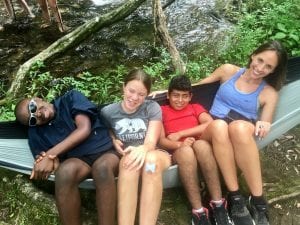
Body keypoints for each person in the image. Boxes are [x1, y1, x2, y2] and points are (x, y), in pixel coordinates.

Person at [196, 40, 288, 225]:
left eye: (268, 66)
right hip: (212, 129)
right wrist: (163, 94)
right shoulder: (228, 71)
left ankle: (255, 201)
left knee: (237, 127)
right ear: (253, 55)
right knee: (221, 126)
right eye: (260, 60)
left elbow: (265, 122)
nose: (260, 68)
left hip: (239, 134)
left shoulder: (269, 93)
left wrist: (264, 124)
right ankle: (236, 196)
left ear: (273, 71)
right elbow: (195, 88)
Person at [14, 89, 120, 225]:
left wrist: (51, 154)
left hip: (106, 150)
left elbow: (84, 129)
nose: (38, 114)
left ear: (37, 98)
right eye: (33, 119)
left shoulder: (70, 99)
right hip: (80, 161)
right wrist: (49, 161)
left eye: (32, 107)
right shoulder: (36, 133)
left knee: (102, 169)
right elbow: (49, 163)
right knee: (64, 173)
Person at [101, 68, 171, 225]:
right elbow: (104, 131)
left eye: (141, 94)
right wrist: (112, 138)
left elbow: (151, 143)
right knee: (129, 162)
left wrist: (143, 149)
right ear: (123, 87)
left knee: (150, 162)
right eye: (131, 91)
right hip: (129, 159)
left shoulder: (152, 108)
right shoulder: (108, 112)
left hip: (155, 155)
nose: (134, 98)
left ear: (146, 95)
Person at [159, 75, 232, 225]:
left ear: (190, 96)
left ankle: (218, 205)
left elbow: (209, 123)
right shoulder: (161, 111)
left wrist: (181, 134)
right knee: (187, 152)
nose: (180, 100)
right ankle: (199, 213)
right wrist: (181, 144)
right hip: (179, 151)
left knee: (202, 146)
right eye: (176, 96)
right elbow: (162, 141)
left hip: (200, 147)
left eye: (185, 96)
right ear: (168, 95)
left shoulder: (195, 107)